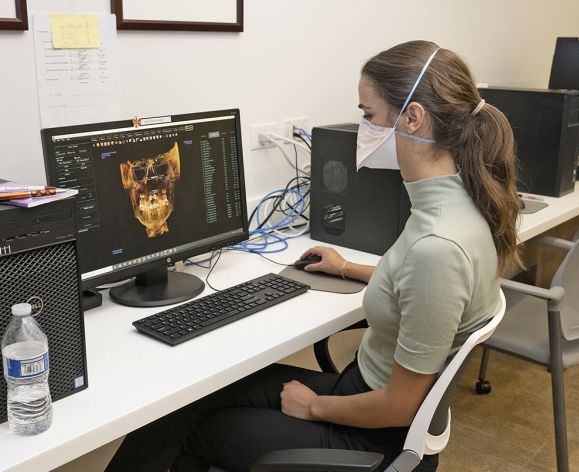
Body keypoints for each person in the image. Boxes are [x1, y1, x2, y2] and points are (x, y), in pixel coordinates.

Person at [106, 39, 522, 472]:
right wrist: (346, 268)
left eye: (369, 116)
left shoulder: (439, 247)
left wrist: (315, 407)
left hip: (371, 429)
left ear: (412, 118)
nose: (364, 130)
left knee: (188, 430)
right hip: (363, 392)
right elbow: (419, 284)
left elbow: (400, 406)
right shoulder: (459, 208)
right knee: (188, 399)